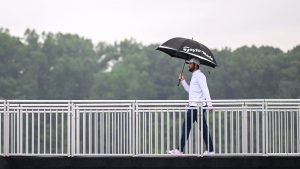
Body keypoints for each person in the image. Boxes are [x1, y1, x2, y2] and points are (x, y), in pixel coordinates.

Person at [168, 58, 214, 155]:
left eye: (190, 64)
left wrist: (210, 104)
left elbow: (205, 90)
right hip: (196, 107)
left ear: (196, 65)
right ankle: (210, 150)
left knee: (186, 127)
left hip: (195, 107)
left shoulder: (200, 76)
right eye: (188, 64)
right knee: (203, 128)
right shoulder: (195, 76)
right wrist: (183, 81)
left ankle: (179, 150)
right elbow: (191, 91)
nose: (188, 65)